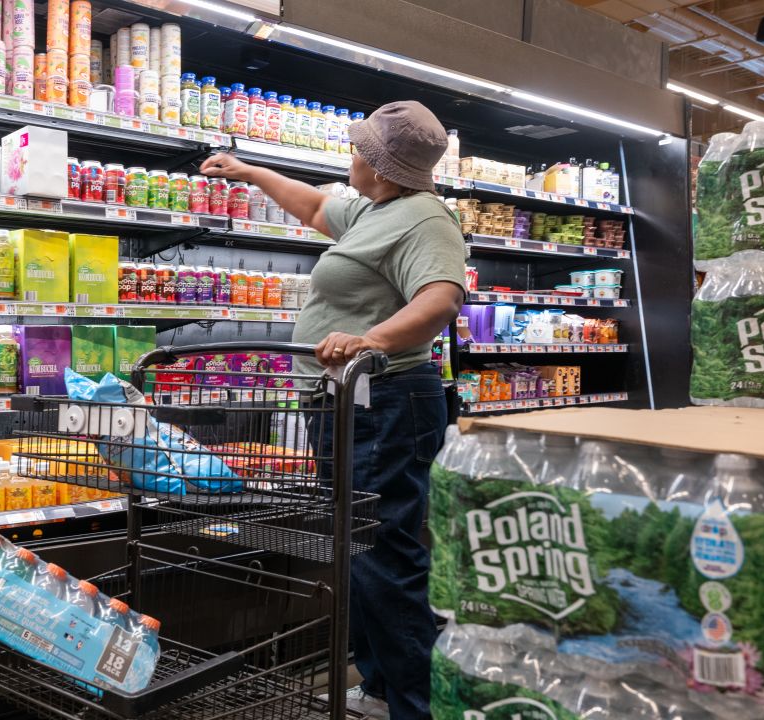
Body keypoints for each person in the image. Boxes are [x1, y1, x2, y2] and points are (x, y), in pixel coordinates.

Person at [201, 100, 465, 720]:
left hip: (388, 402)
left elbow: (441, 299)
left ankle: (419, 706)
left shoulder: (425, 220)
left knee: (384, 556)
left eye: (360, 148)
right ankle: (379, 687)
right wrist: (248, 172)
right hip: (347, 405)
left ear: (381, 163)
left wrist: (368, 340)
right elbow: (316, 205)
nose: (350, 156)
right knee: (360, 551)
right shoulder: (378, 210)